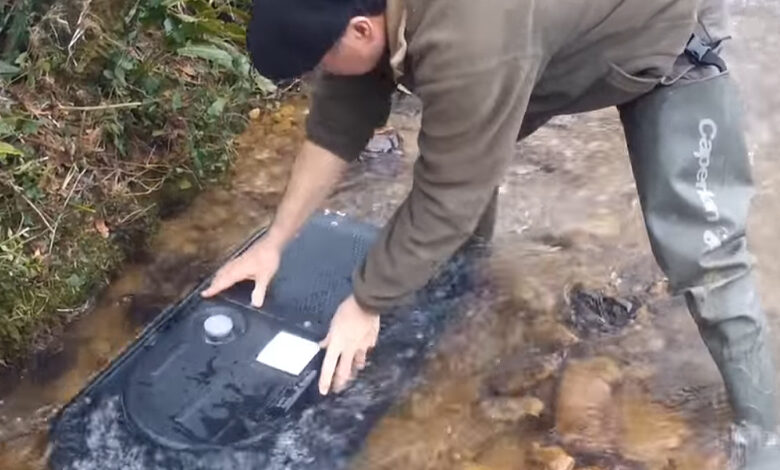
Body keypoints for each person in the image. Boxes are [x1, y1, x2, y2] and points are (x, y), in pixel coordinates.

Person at [201, 0, 778, 466]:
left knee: (706, 255)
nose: (317, 75)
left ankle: (766, 431)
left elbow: (449, 195)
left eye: (317, 64)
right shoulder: (363, 19)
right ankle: (459, 283)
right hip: (543, 46)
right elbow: (334, 128)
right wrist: (273, 243)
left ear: (360, 29)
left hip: (668, 39)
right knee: (458, 152)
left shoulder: (468, 41)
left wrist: (365, 302)